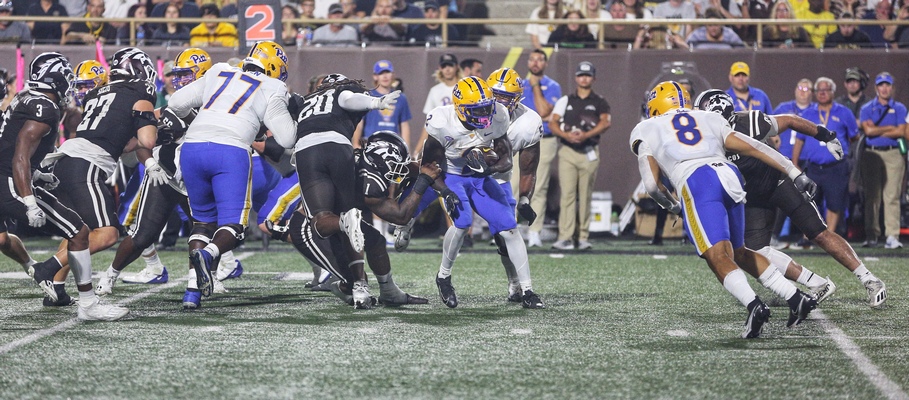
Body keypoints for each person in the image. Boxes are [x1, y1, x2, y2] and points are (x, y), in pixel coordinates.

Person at [632, 82, 818, 339]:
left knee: (716, 256)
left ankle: (754, 305)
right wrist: (794, 172)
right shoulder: (708, 117)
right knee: (740, 251)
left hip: (697, 181)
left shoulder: (646, 127)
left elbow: (652, 185)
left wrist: (675, 207)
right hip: (730, 176)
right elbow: (755, 146)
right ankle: (796, 297)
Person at [695, 89, 888, 308]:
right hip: (753, 196)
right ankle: (816, 283)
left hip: (780, 181)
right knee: (756, 250)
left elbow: (790, 120)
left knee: (818, 233)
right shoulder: (706, 139)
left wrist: (824, 135)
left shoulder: (749, 121)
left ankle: (869, 279)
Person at [167, 41, 297, 309]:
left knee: (202, 223)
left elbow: (176, 102)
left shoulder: (219, 70)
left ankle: (192, 293)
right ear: (274, 67)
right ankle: (209, 254)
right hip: (230, 150)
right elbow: (287, 138)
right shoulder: (273, 86)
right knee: (235, 227)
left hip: (192, 147)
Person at [0, 53, 129, 320]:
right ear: (56, 79)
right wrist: (29, 201)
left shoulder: (26, 97)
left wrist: (38, 175)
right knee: (79, 232)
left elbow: (12, 145)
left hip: (8, 176)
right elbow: (20, 156)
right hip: (10, 182)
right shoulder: (45, 108)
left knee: (2, 238)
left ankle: (41, 273)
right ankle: (88, 304)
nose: (70, 85)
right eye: (67, 78)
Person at [35, 48, 160, 311]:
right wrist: (157, 125)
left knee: (77, 229)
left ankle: (56, 289)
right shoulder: (141, 90)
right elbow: (148, 140)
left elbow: (117, 138)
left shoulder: (96, 93)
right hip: (86, 165)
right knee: (107, 234)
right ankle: (48, 268)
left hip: (64, 160)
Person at [95, 48, 215, 295]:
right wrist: (151, 163)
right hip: (166, 176)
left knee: (206, 231)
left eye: (184, 74)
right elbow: (140, 140)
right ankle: (110, 275)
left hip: (196, 181)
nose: (177, 80)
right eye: (177, 75)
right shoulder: (171, 107)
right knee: (142, 235)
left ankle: (204, 278)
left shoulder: (217, 107)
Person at [421, 76, 545, 309]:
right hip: (453, 175)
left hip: (481, 177)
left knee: (509, 227)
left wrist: (488, 168)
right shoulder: (442, 122)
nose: (485, 114)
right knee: (462, 223)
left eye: (487, 107)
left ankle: (527, 290)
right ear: (460, 108)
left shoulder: (499, 116)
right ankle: (444, 276)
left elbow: (507, 160)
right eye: (477, 110)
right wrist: (445, 191)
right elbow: (428, 167)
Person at [283, 74, 401, 309]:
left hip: (307, 151)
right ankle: (359, 284)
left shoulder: (305, 100)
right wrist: (375, 102)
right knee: (348, 219)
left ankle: (356, 279)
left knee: (322, 219)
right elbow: (347, 99)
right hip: (338, 148)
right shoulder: (341, 92)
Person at [486, 68, 544, 302]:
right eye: (495, 95)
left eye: (506, 97)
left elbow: (528, 169)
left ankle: (519, 285)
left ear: (517, 99)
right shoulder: (474, 109)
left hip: (497, 178)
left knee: (506, 232)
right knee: (458, 226)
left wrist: (524, 199)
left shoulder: (528, 122)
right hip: (461, 173)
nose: (499, 102)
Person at [549, 61, 610, 251]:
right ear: (576, 78)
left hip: (589, 150)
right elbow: (552, 122)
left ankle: (583, 236)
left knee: (585, 195)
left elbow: (605, 122)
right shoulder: (565, 100)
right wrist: (566, 135)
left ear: (594, 78)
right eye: (581, 75)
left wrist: (586, 135)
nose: (584, 78)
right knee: (567, 195)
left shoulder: (600, 101)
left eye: (588, 75)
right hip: (568, 150)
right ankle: (565, 236)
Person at [791, 77, 860, 234]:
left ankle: (830, 237)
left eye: (826, 90)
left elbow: (854, 136)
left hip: (836, 167)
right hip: (814, 167)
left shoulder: (844, 112)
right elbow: (799, 140)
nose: (822, 93)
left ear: (833, 92)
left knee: (834, 205)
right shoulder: (808, 113)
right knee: (809, 204)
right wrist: (795, 162)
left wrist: (842, 147)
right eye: (819, 90)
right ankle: (809, 237)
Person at [859, 72, 906, 249]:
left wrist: (877, 129)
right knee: (872, 196)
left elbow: (901, 132)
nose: (884, 88)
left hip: (893, 153)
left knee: (892, 196)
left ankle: (892, 235)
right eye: (881, 85)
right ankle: (871, 235)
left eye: (887, 85)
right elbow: (868, 132)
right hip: (871, 154)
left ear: (892, 88)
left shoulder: (899, 108)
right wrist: (890, 128)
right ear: (876, 88)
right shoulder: (867, 108)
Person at [523, 49, 561, 248]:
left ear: (545, 64)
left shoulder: (553, 86)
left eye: (540, 59)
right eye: (532, 59)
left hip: (544, 140)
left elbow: (545, 110)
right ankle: (506, 229)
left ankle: (534, 231)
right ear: (528, 62)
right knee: (511, 186)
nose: (535, 63)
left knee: (538, 186)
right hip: (520, 140)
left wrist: (535, 85)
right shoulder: (519, 85)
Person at [354, 60, 412, 148]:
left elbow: (404, 125)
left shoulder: (400, 98)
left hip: (392, 145)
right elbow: (359, 123)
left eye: (387, 72)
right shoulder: (367, 96)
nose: (385, 76)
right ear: (375, 76)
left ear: (393, 75)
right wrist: (356, 144)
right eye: (381, 73)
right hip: (370, 144)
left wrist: (406, 149)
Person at [412, 53, 461, 157]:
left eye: (450, 65)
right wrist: (417, 151)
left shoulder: (464, 88)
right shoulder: (435, 91)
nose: (447, 69)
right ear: (440, 68)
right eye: (444, 66)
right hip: (441, 144)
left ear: (457, 67)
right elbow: (429, 124)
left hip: (462, 140)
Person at [773, 78, 815, 160]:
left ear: (812, 93)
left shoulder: (816, 110)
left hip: (808, 158)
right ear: (795, 90)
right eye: (800, 88)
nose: (802, 91)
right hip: (784, 155)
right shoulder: (783, 108)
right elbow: (769, 123)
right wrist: (775, 139)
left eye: (806, 89)